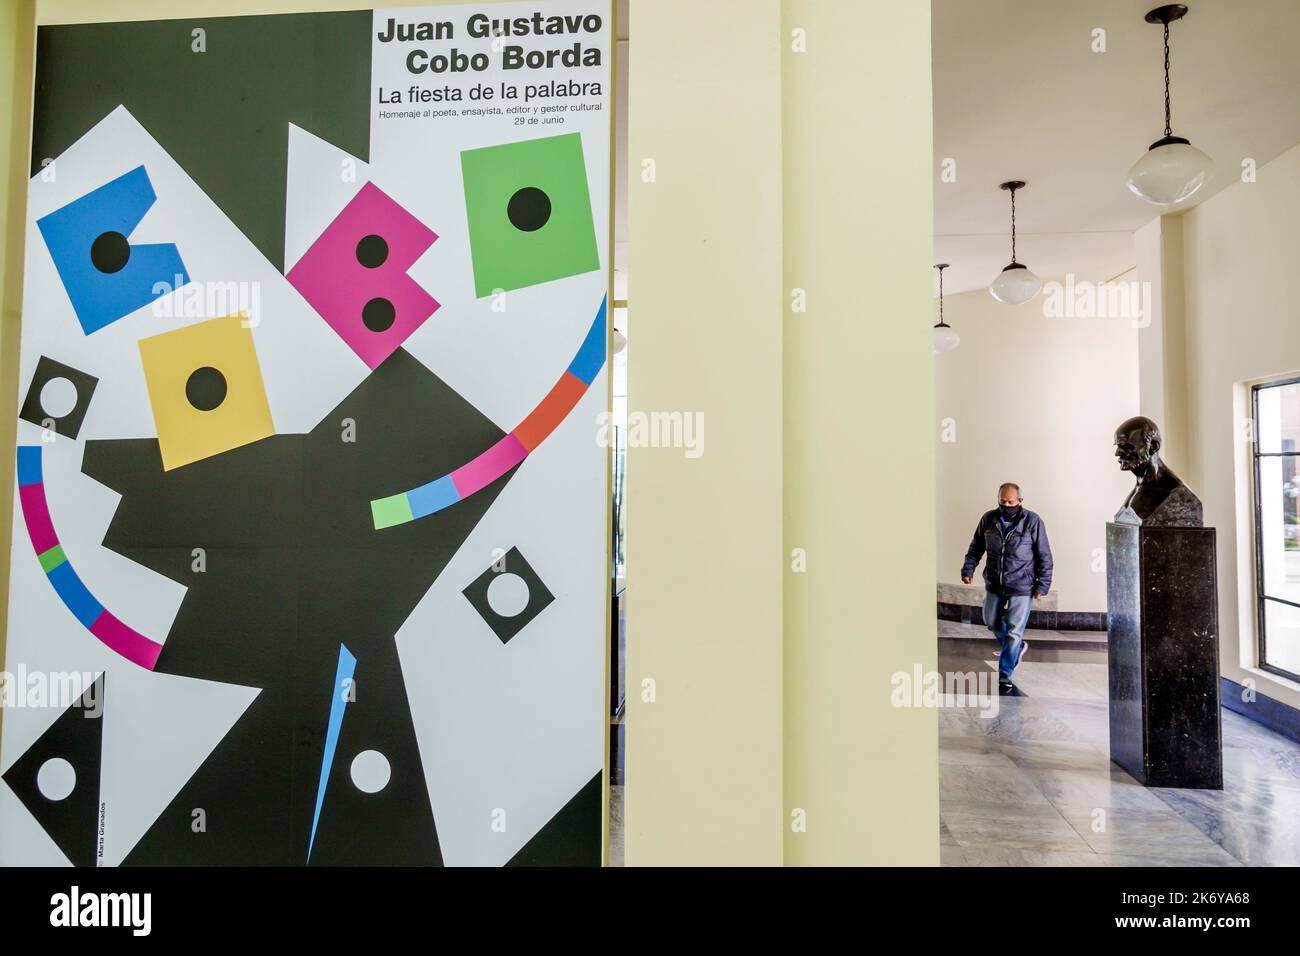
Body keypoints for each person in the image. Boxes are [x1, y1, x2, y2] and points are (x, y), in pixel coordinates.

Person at [960, 483, 1053, 687]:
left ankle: (1005, 673)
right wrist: (968, 569)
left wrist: (1042, 584)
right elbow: (976, 547)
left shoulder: (1033, 521)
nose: (1006, 505)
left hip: (1022, 585)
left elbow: (1044, 555)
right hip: (994, 582)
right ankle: (1016, 648)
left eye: (1011, 502)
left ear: (1020, 501)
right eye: (1002, 502)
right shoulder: (988, 519)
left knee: (1013, 630)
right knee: (991, 621)